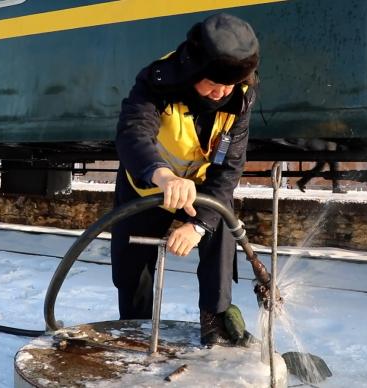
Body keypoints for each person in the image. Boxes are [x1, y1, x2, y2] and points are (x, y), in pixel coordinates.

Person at [111, 13, 259, 345]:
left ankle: (216, 319)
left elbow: (229, 167)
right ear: (194, 68)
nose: (221, 93)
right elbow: (132, 134)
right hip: (146, 186)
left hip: (202, 189)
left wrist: (198, 225)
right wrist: (162, 175)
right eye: (214, 83)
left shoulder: (242, 91)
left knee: (219, 224)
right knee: (132, 272)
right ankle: (135, 332)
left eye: (228, 85)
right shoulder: (157, 80)